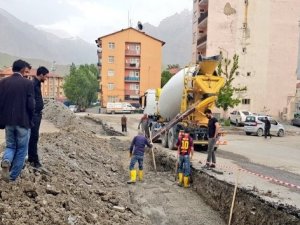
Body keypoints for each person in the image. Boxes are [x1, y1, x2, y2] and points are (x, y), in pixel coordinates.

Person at [0, 60, 35, 182]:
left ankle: (7, 160)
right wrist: (31, 119)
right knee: (21, 150)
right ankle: (12, 177)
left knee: (10, 146)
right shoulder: (27, 83)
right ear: (22, 70)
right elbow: (31, 105)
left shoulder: (3, 82)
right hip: (23, 122)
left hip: (8, 122)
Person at [28, 66, 49, 168]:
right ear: (41, 74)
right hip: (34, 115)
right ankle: (33, 160)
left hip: (37, 115)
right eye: (46, 76)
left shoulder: (38, 84)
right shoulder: (33, 84)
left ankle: (32, 158)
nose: (46, 78)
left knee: (34, 137)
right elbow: (31, 101)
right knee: (33, 137)